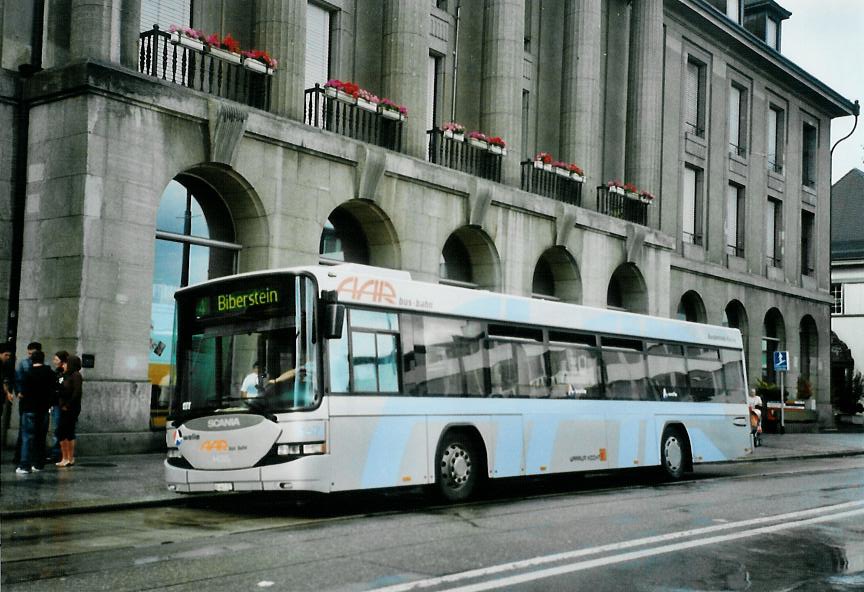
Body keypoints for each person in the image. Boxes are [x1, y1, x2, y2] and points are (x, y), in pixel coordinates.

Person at [16, 350, 54, 474]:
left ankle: (25, 465)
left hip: (29, 409)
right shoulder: (50, 373)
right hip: (44, 409)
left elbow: (22, 393)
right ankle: (38, 464)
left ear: (32, 360)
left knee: (27, 437)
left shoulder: (28, 374)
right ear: (43, 360)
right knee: (40, 437)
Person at [13, 341, 41, 465]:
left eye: (32, 353)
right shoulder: (23, 363)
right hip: (26, 399)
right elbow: (17, 379)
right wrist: (18, 391)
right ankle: (19, 456)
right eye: (29, 353)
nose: (30, 356)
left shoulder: (40, 365)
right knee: (23, 429)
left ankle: (29, 456)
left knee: (32, 430)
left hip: (34, 400)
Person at [56, 355, 83, 467]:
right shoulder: (66, 375)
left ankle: (69, 457)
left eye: (66, 363)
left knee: (67, 431)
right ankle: (65, 457)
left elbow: (77, 392)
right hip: (64, 406)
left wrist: (67, 404)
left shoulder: (76, 375)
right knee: (63, 431)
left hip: (71, 407)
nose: (64, 365)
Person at [46, 351, 69, 463]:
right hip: (55, 404)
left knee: (58, 429)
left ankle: (57, 452)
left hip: (59, 405)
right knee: (57, 429)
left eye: (56, 359)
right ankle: (57, 452)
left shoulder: (64, 374)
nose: (54, 361)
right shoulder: (57, 373)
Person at [0, 342, 14, 451]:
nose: (8, 358)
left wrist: (7, 392)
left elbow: (4, 381)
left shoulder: (4, 366)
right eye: (6, 355)